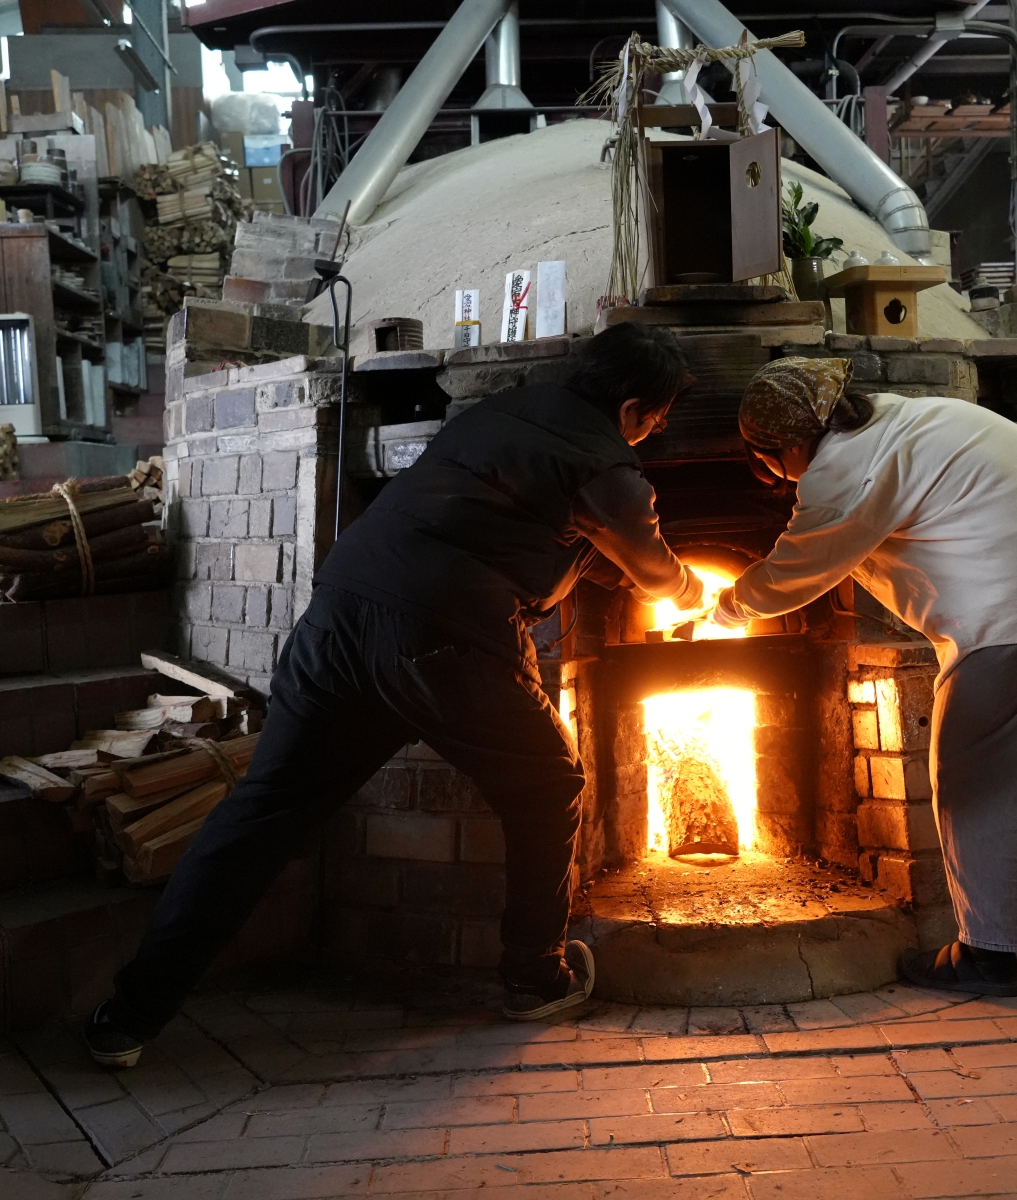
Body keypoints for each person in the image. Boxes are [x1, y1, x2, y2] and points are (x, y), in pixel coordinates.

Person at [86, 322, 705, 1068]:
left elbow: (505, 525)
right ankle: (535, 975)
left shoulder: (494, 413)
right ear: (635, 406)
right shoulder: (610, 468)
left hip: (338, 616)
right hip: (442, 640)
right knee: (549, 784)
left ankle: (129, 1016)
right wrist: (700, 592)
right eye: (658, 418)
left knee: (263, 812)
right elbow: (659, 575)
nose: (655, 432)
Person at [706, 357, 1017, 997]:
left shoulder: (839, 471)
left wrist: (720, 608)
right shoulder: (909, 415)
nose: (778, 477)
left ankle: (989, 954)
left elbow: (793, 573)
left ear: (785, 447)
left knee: (976, 773)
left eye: (771, 462)